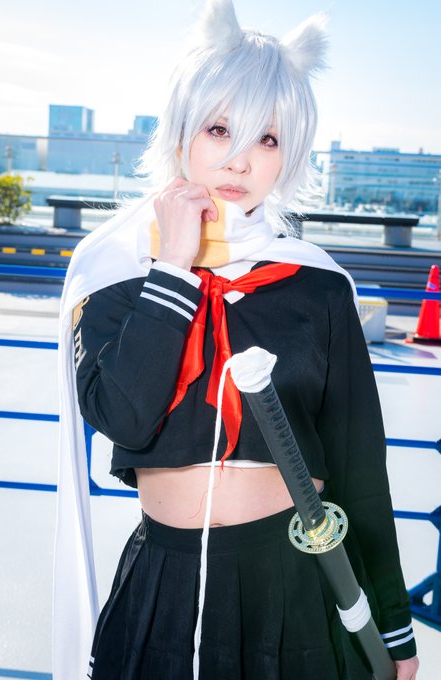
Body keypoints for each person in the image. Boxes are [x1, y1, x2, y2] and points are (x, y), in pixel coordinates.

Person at [53, 1, 419, 678]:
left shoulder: (316, 285)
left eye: (268, 139)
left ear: (290, 155)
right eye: (220, 129)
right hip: (163, 586)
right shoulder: (112, 272)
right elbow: (123, 416)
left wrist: (393, 629)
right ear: (182, 131)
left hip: (297, 584)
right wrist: (172, 270)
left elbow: (360, 467)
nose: (240, 160)